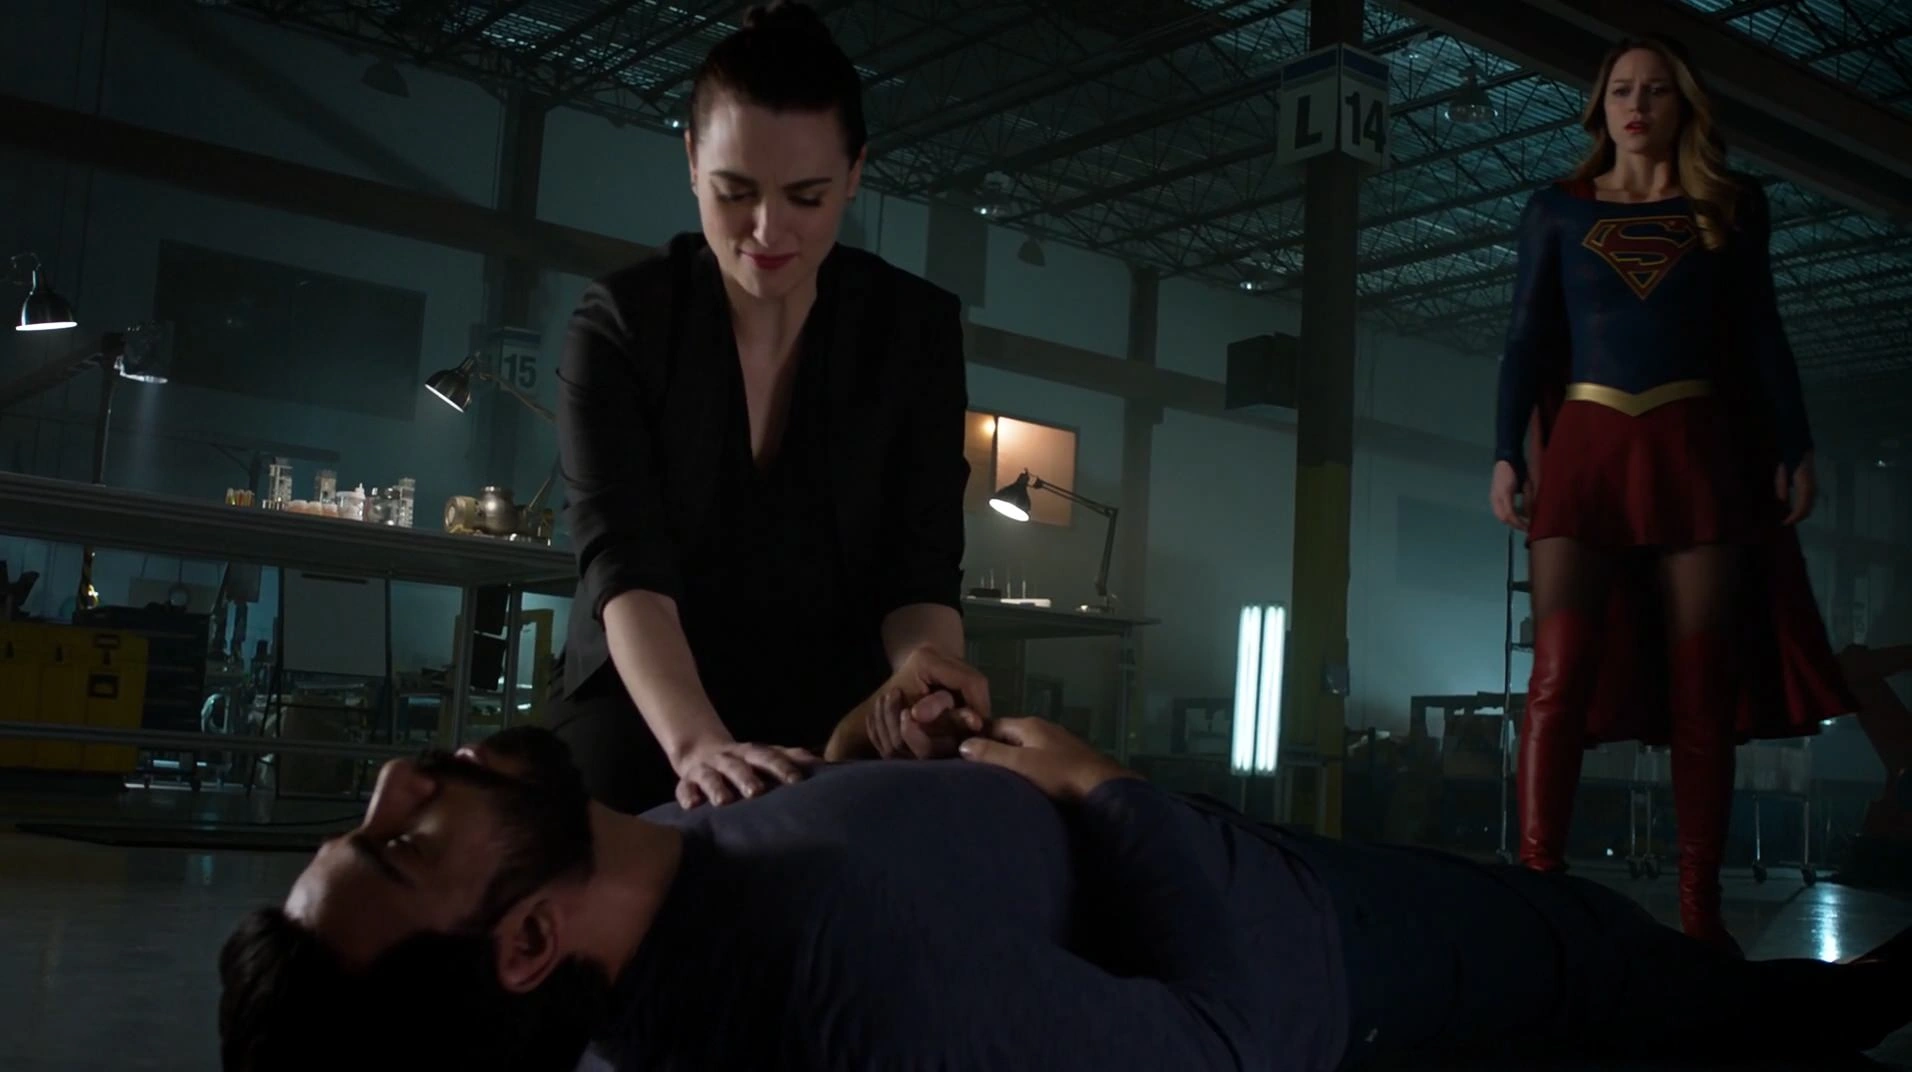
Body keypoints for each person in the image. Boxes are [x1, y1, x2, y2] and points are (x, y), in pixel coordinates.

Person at [216, 721, 1912, 1072]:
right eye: (399, 847)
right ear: (525, 943)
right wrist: (1095, 785)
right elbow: (1228, 1045)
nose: (399, 779)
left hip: (1267, 875)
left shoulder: (656, 872)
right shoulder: (831, 988)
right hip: (1331, 954)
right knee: (1644, 983)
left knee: (1634, 968)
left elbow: (880, 862)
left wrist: (873, 752)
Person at [551, 1, 989, 815]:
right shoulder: (621, 325)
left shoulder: (915, 332)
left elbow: (920, 565)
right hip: (651, 696)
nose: (766, 229)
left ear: (854, 174)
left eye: (807, 196)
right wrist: (699, 747)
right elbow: (625, 570)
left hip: (841, 696)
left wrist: (921, 679)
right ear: (692, 161)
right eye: (735, 192)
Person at [1488, 35, 1856, 951]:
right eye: (1621, 89)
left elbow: (1762, 332)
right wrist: (1505, 452)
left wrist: (1794, 444)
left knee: (1703, 689)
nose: (1636, 105)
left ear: (1682, 104)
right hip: (1586, 448)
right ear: (1600, 104)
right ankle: (1537, 893)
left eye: (1655, 90)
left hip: (1698, 451)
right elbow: (1526, 337)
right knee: (1556, 676)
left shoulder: (1729, 206)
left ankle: (1700, 915)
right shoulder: (1556, 209)